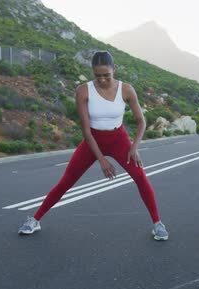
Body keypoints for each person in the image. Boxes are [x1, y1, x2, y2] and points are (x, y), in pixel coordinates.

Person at [18, 51, 168, 241]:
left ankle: (158, 224)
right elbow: (86, 130)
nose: (103, 79)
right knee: (66, 181)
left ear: (114, 69)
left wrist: (134, 147)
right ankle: (35, 219)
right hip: (92, 140)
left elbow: (141, 122)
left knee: (140, 177)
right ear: (92, 73)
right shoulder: (83, 90)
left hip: (119, 139)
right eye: (98, 76)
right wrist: (101, 159)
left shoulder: (126, 90)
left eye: (107, 75)